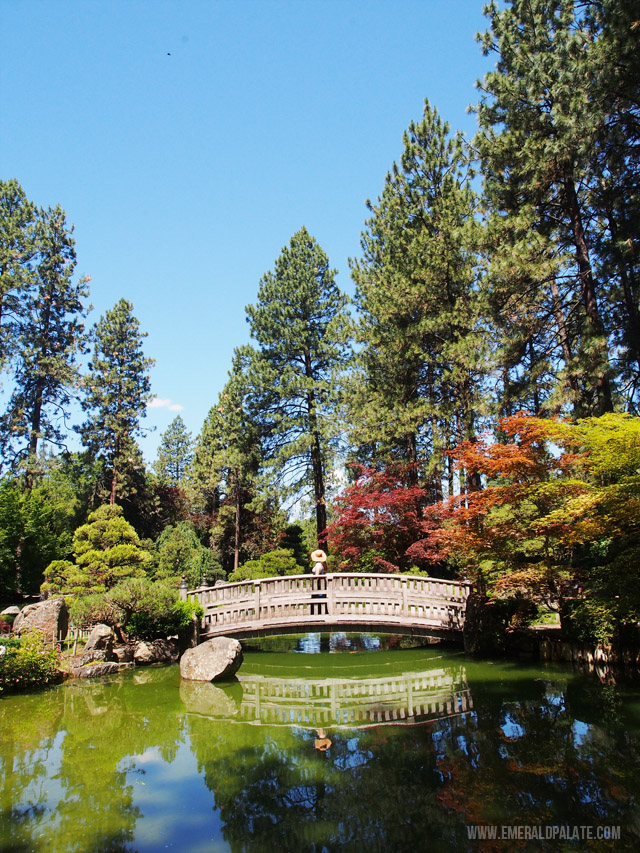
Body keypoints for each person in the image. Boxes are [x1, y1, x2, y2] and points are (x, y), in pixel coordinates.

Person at [310, 548, 327, 615]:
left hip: (318, 584)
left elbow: (317, 575)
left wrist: (315, 582)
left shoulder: (318, 565)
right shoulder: (321, 564)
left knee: (317, 598)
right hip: (321, 584)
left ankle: (317, 613)